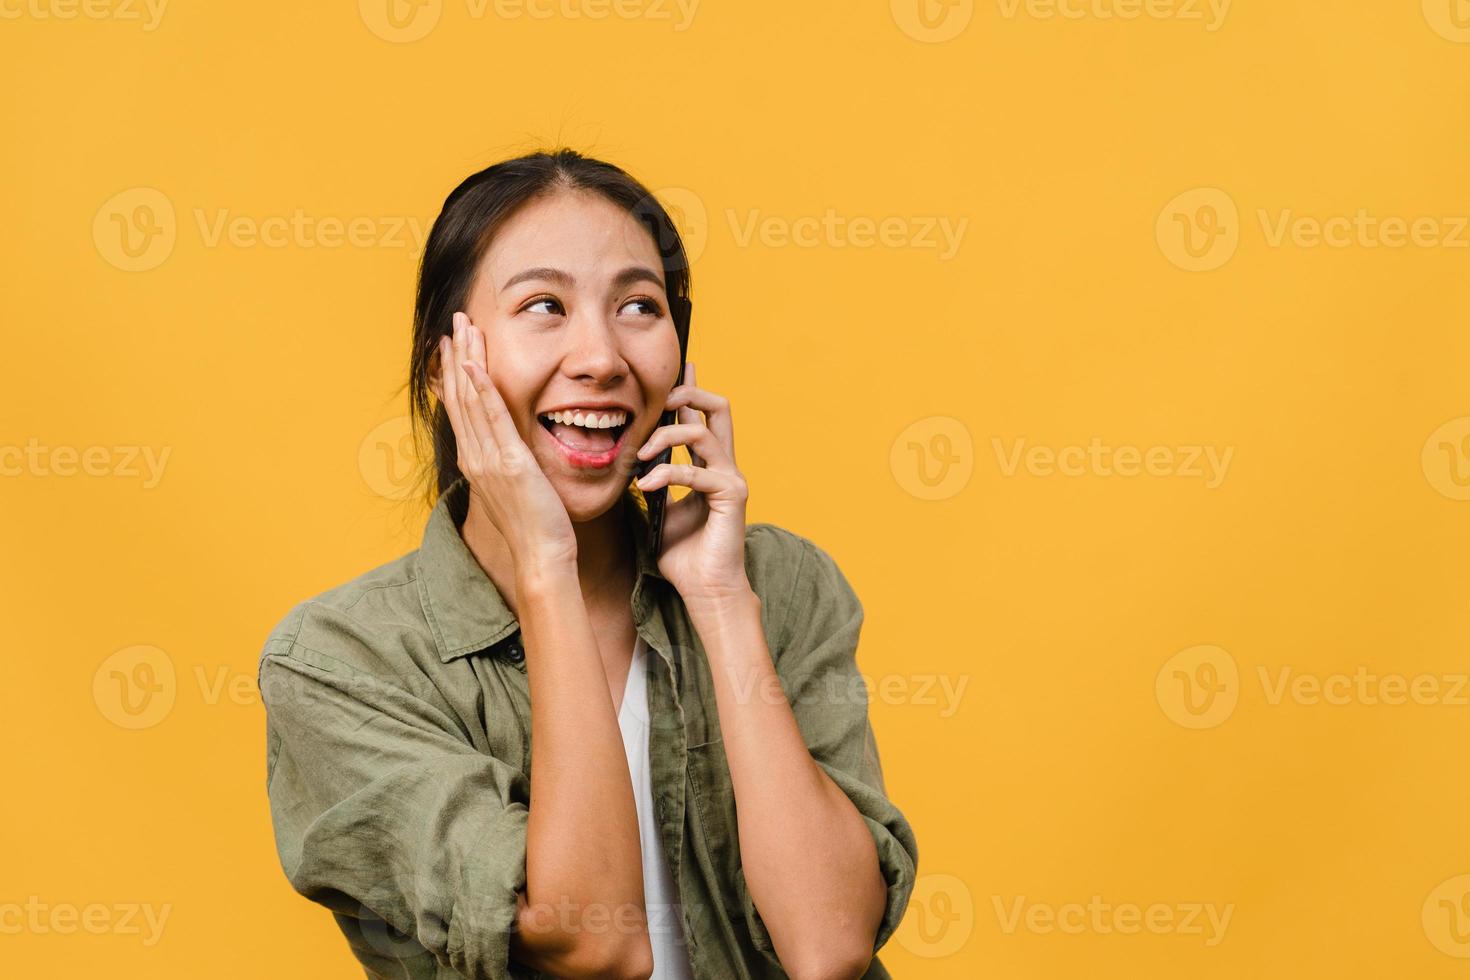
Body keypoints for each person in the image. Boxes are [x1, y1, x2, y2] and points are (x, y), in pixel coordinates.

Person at [256, 148, 918, 979]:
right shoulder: (342, 663)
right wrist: (545, 570)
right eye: (544, 306)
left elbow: (829, 947)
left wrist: (719, 601)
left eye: (639, 306)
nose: (601, 358)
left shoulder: (778, 586)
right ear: (441, 368)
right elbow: (592, 944)